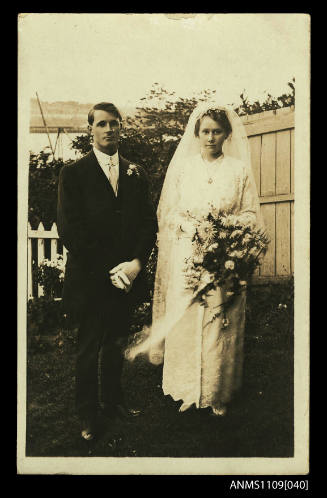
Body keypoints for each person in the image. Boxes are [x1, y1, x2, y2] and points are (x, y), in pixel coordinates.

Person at [127, 101, 263, 417]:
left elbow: (250, 213)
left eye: (217, 132)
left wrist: (223, 225)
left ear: (227, 134)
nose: (210, 137)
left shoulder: (238, 170)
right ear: (197, 133)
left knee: (220, 319)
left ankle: (218, 392)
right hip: (188, 256)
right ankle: (186, 388)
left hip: (225, 257)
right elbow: (169, 213)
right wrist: (193, 225)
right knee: (187, 319)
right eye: (205, 131)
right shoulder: (185, 169)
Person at [57, 102, 157, 441]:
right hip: (90, 279)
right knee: (89, 347)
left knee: (115, 342)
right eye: (102, 124)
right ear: (91, 130)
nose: (109, 129)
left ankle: (114, 401)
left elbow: (147, 223)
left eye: (114, 123)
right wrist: (107, 270)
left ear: (121, 127)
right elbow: (72, 230)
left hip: (125, 278)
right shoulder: (74, 173)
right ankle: (87, 415)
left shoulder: (135, 171)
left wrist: (136, 264)